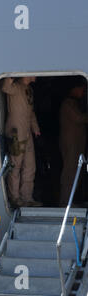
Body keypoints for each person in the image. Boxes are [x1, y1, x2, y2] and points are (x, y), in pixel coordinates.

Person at [2, 77, 42, 207]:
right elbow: (5, 87)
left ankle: (27, 197)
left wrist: (35, 128)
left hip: (27, 133)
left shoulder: (29, 89)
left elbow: (31, 112)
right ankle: (14, 197)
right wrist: (11, 75)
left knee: (30, 166)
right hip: (16, 132)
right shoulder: (16, 87)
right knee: (16, 166)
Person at [59, 78, 88, 206]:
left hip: (76, 144)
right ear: (74, 89)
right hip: (71, 144)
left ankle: (70, 200)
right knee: (70, 173)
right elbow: (79, 118)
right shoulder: (67, 104)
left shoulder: (74, 103)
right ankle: (65, 202)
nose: (83, 92)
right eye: (81, 89)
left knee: (77, 171)